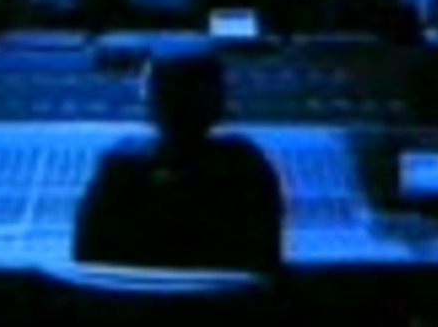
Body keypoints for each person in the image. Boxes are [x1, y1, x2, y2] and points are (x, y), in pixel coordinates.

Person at [74, 44, 284, 273]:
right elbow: (267, 265)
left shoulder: (117, 170)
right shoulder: (248, 169)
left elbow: (84, 258)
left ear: (151, 104)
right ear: (219, 104)